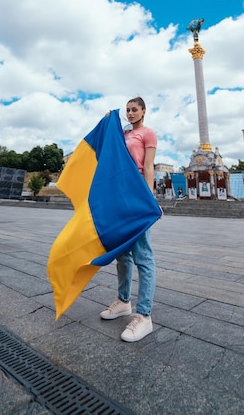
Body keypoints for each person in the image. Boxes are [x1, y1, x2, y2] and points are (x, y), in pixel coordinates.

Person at [100, 96, 158, 342]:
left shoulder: (148, 133)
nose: (130, 113)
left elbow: (148, 167)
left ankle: (144, 316)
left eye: (135, 109)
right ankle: (124, 301)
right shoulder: (121, 133)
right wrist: (106, 123)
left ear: (144, 111)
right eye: (127, 110)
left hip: (136, 193)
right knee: (122, 253)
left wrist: (149, 200)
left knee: (143, 255)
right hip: (118, 195)